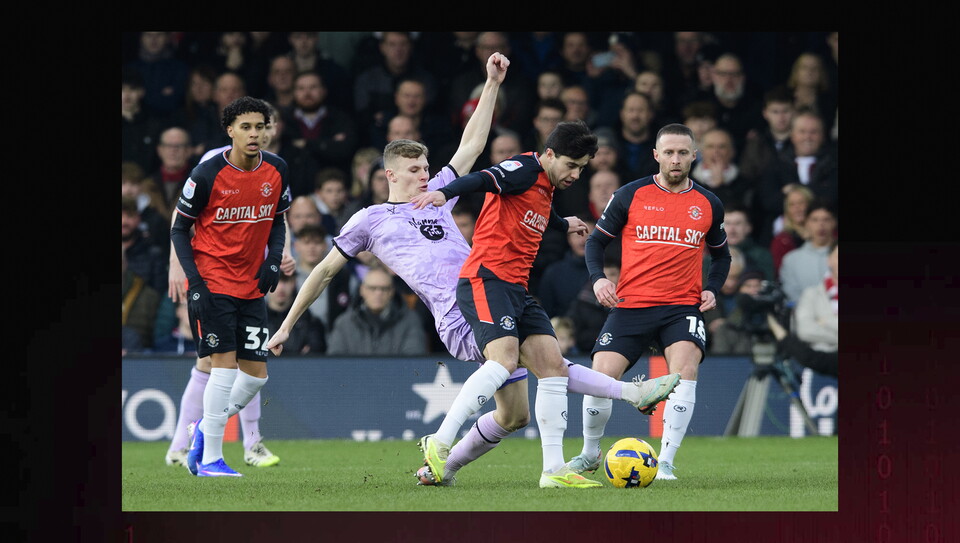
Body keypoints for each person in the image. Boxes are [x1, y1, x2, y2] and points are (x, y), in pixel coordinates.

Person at [268, 55, 678, 489]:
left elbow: (471, 147)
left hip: (499, 291)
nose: (425, 176)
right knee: (524, 361)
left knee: (517, 410)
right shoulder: (369, 220)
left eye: (427, 169)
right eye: (414, 170)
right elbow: (325, 273)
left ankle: (442, 468)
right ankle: (449, 443)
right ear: (389, 174)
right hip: (461, 304)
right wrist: (287, 325)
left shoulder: (439, 194)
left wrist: (492, 84)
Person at [411, 117, 681, 489]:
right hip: (486, 279)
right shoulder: (524, 167)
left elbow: (532, 210)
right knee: (503, 360)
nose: (574, 174)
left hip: (516, 290)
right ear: (549, 153)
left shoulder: (544, 185)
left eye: (581, 168)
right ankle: (439, 441)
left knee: (553, 366)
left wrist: (562, 223)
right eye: (570, 165)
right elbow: (485, 179)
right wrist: (445, 193)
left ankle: (553, 470)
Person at [564, 123, 730, 482]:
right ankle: (590, 453)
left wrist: (712, 288)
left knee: (685, 372)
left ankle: (666, 461)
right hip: (632, 303)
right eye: (668, 152)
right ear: (656, 155)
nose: (675, 159)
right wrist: (598, 279)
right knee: (599, 376)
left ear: (693, 156)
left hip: (682, 307)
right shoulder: (629, 195)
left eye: (683, 152)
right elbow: (595, 243)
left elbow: (722, 256)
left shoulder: (708, 204)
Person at [164, 99, 292, 470]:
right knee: (220, 368)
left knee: (255, 376)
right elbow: (178, 227)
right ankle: (210, 459)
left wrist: (272, 258)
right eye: (246, 127)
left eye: (260, 127)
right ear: (230, 131)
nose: (255, 134)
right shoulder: (207, 174)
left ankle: (204, 428)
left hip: (251, 285)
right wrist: (195, 282)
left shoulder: (277, 170)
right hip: (214, 281)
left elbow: (278, 221)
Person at [766, 242, 838, 378]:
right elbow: (805, 331)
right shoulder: (811, 294)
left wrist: (826, 321)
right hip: (815, 364)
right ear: (829, 260)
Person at [279, 70, 359, 190]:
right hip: (294, 190)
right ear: (294, 93)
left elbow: (344, 150)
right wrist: (327, 143)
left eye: (313, 87)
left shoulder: (340, 118)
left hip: (335, 189)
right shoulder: (284, 121)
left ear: (324, 91)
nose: (307, 93)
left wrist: (306, 144)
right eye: (301, 88)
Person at [325, 266, 427, 355]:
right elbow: (336, 363)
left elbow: (413, 362)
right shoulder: (344, 323)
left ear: (392, 291)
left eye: (384, 289)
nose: (378, 293)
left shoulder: (410, 321)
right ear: (362, 290)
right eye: (373, 288)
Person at [779, 202, 836, 304]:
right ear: (806, 223)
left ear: (834, 222)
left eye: (826, 219)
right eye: (815, 220)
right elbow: (791, 294)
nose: (821, 225)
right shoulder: (791, 260)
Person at [738, 86, 795, 181]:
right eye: (775, 112)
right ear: (765, 113)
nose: (781, 117)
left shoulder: (803, 142)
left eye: (785, 111)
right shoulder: (755, 143)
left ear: (794, 111)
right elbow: (746, 175)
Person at [266, 272, 326, 355]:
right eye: (275, 281)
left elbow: (315, 355)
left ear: (294, 282)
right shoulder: (256, 320)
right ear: (266, 283)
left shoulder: (310, 321)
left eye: (286, 280)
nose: (281, 287)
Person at [614, 91, 659, 182]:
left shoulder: (662, 147)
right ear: (622, 114)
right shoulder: (611, 145)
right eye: (631, 110)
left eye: (640, 110)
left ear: (650, 114)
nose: (635, 116)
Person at [770, 184, 814, 275]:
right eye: (792, 205)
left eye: (801, 203)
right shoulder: (781, 241)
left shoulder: (827, 234)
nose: (797, 208)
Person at [722, 205, 775, 281]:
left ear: (748, 227)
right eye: (727, 223)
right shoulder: (709, 257)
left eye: (737, 223)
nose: (732, 229)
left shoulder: (762, 256)